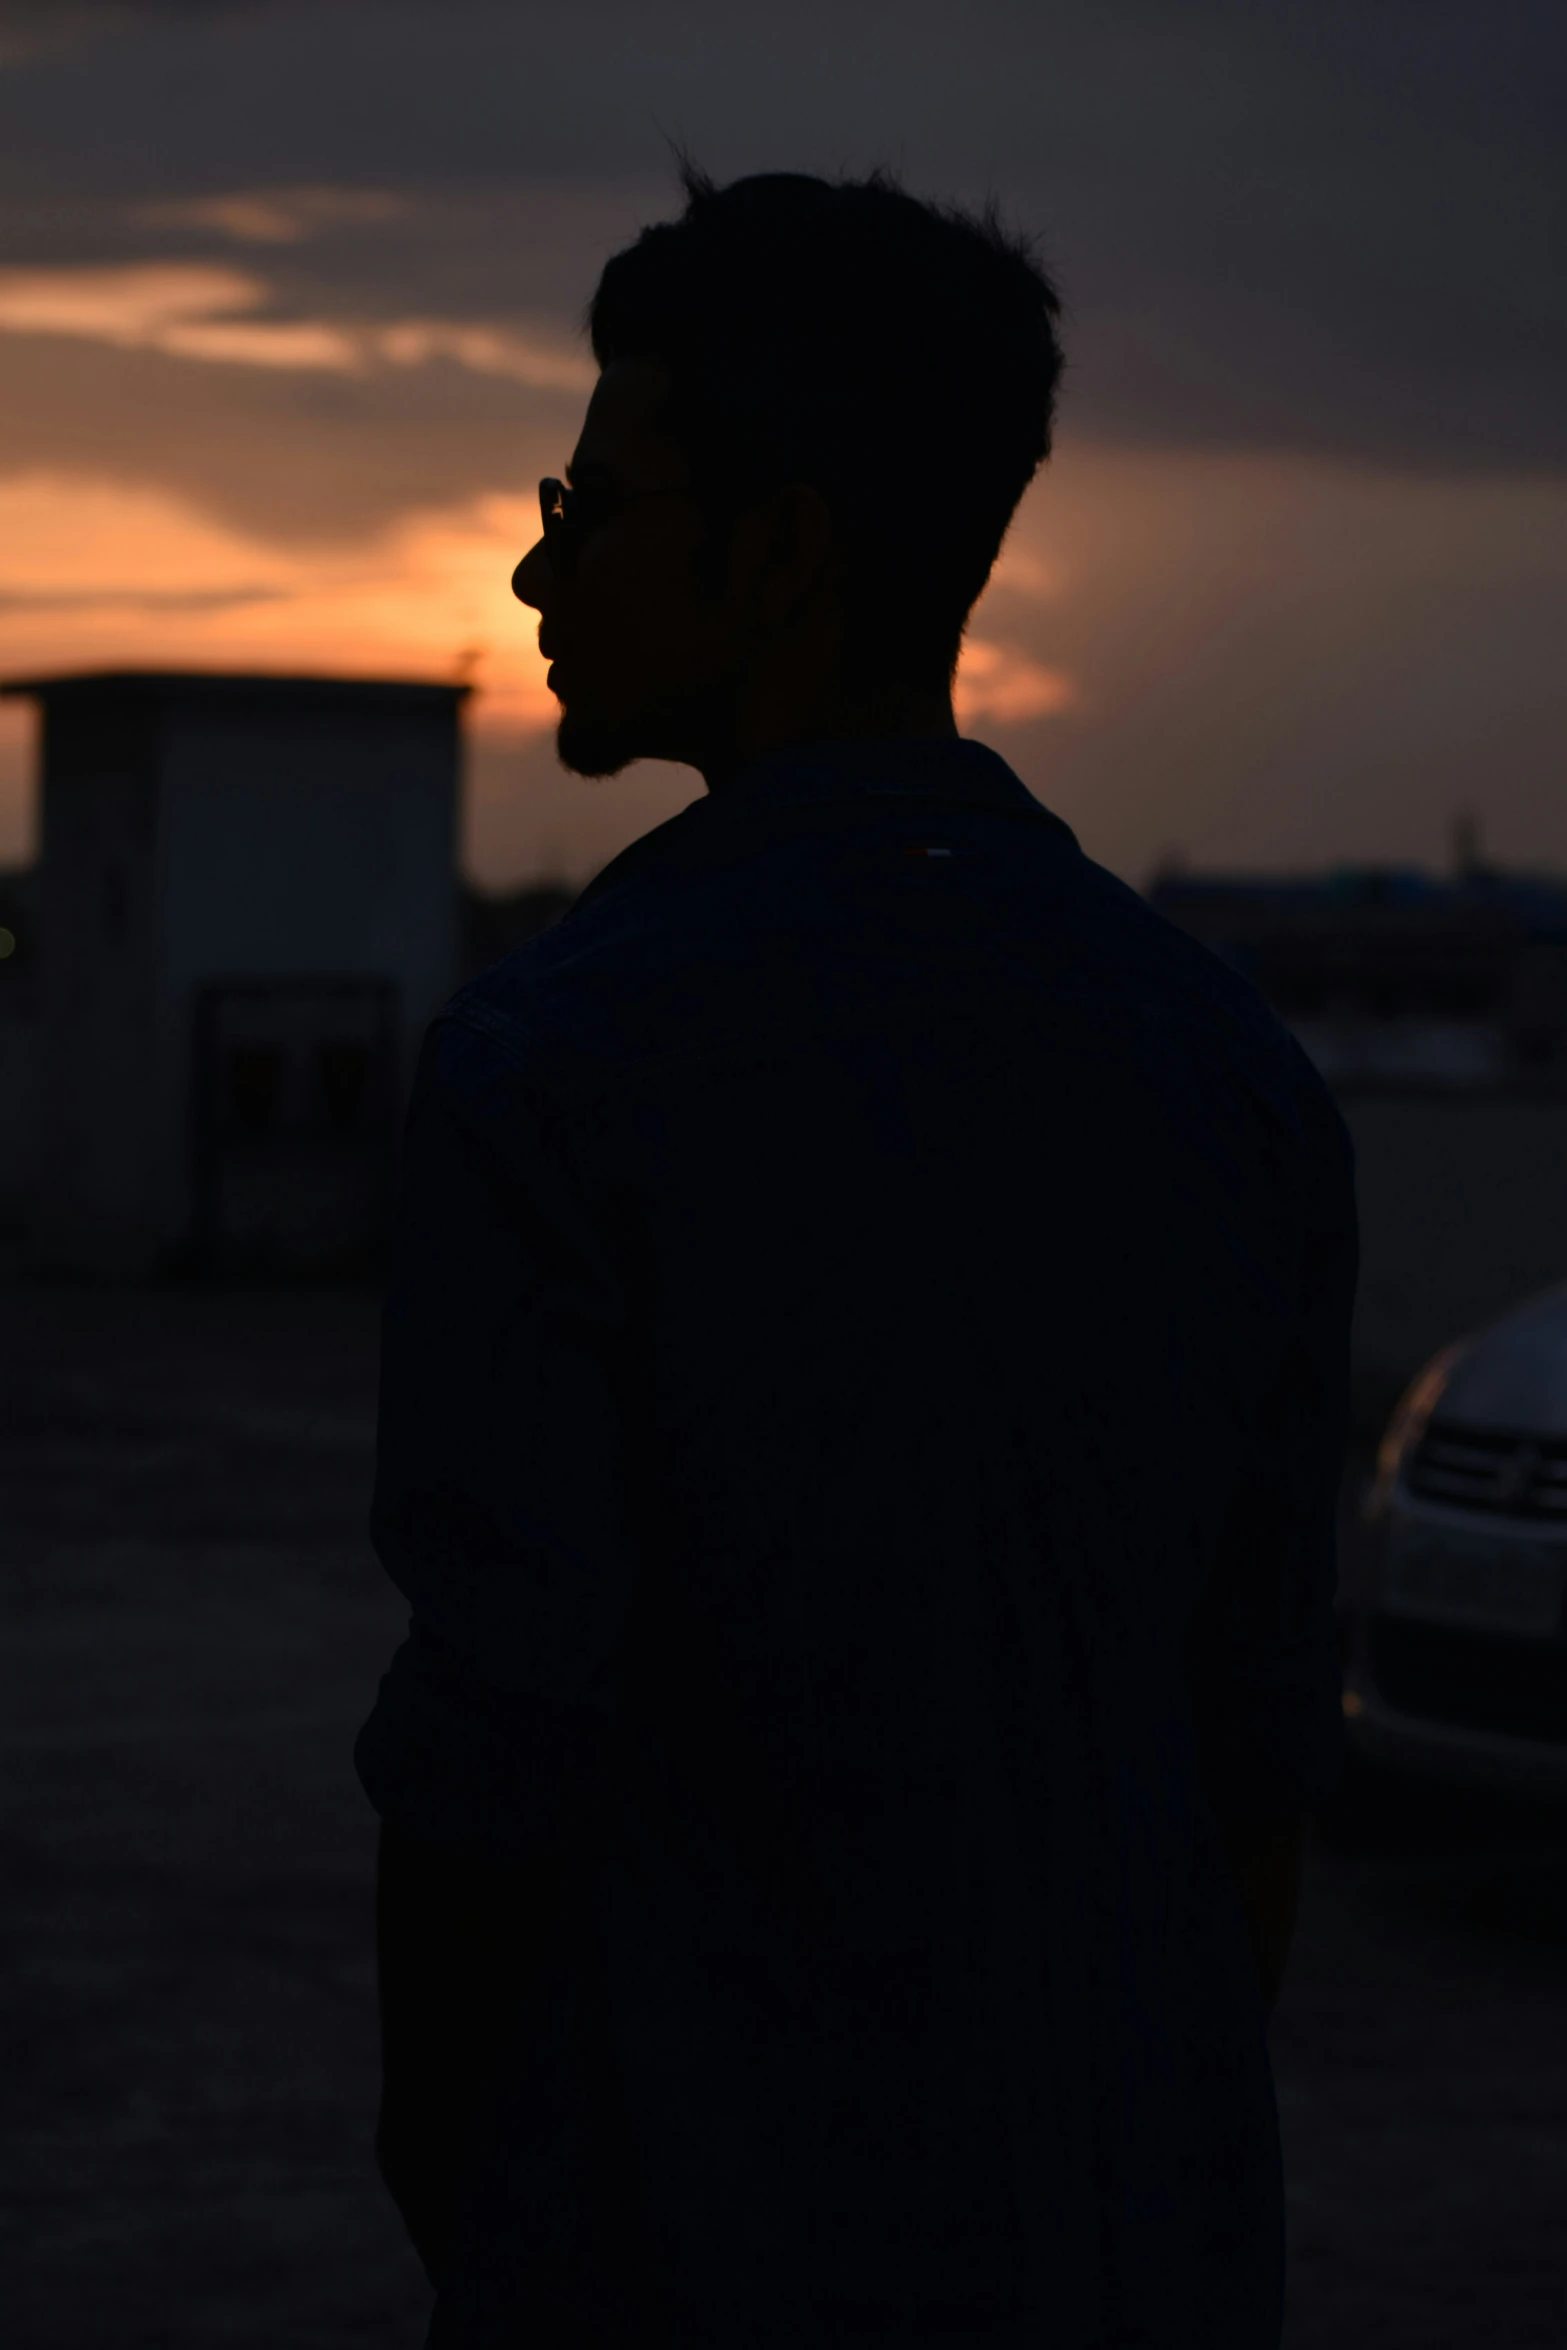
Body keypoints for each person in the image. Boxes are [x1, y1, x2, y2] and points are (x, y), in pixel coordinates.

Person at [356, 165, 1356, 2349]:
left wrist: (499, 2212)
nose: (536, 560)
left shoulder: (559, 1067)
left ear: (782, 550)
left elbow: (482, 1787)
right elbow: (1248, 1784)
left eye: (593, 499)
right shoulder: (1235, 1072)